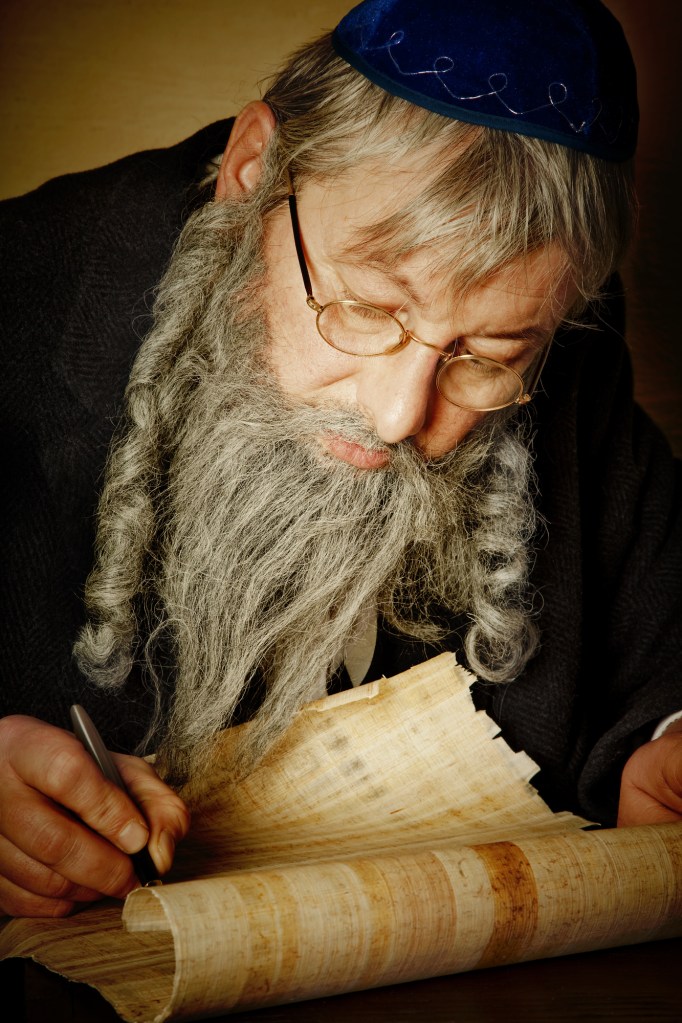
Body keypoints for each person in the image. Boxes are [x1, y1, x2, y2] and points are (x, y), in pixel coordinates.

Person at [1, 0, 680, 920]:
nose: (398, 415)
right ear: (252, 171)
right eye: (366, 308)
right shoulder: (17, 296)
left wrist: (663, 744)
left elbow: (655, 649)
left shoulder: (563, 345)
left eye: (485, 357)